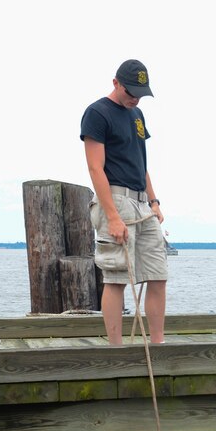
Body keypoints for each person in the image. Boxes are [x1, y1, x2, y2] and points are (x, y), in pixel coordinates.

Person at [80, 59, 168, 346]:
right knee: (116, 276)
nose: (135, 98)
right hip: (115, 199)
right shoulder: (97, 113)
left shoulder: (137, 114)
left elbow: (141, 162)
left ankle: (157, 344)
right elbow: (95, 169)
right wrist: (112, 216)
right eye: (131, 91)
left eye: (141, 93)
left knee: (158, 274)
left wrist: (154, 201)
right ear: (115, 82)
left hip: (143, 204)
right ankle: (116, 349)